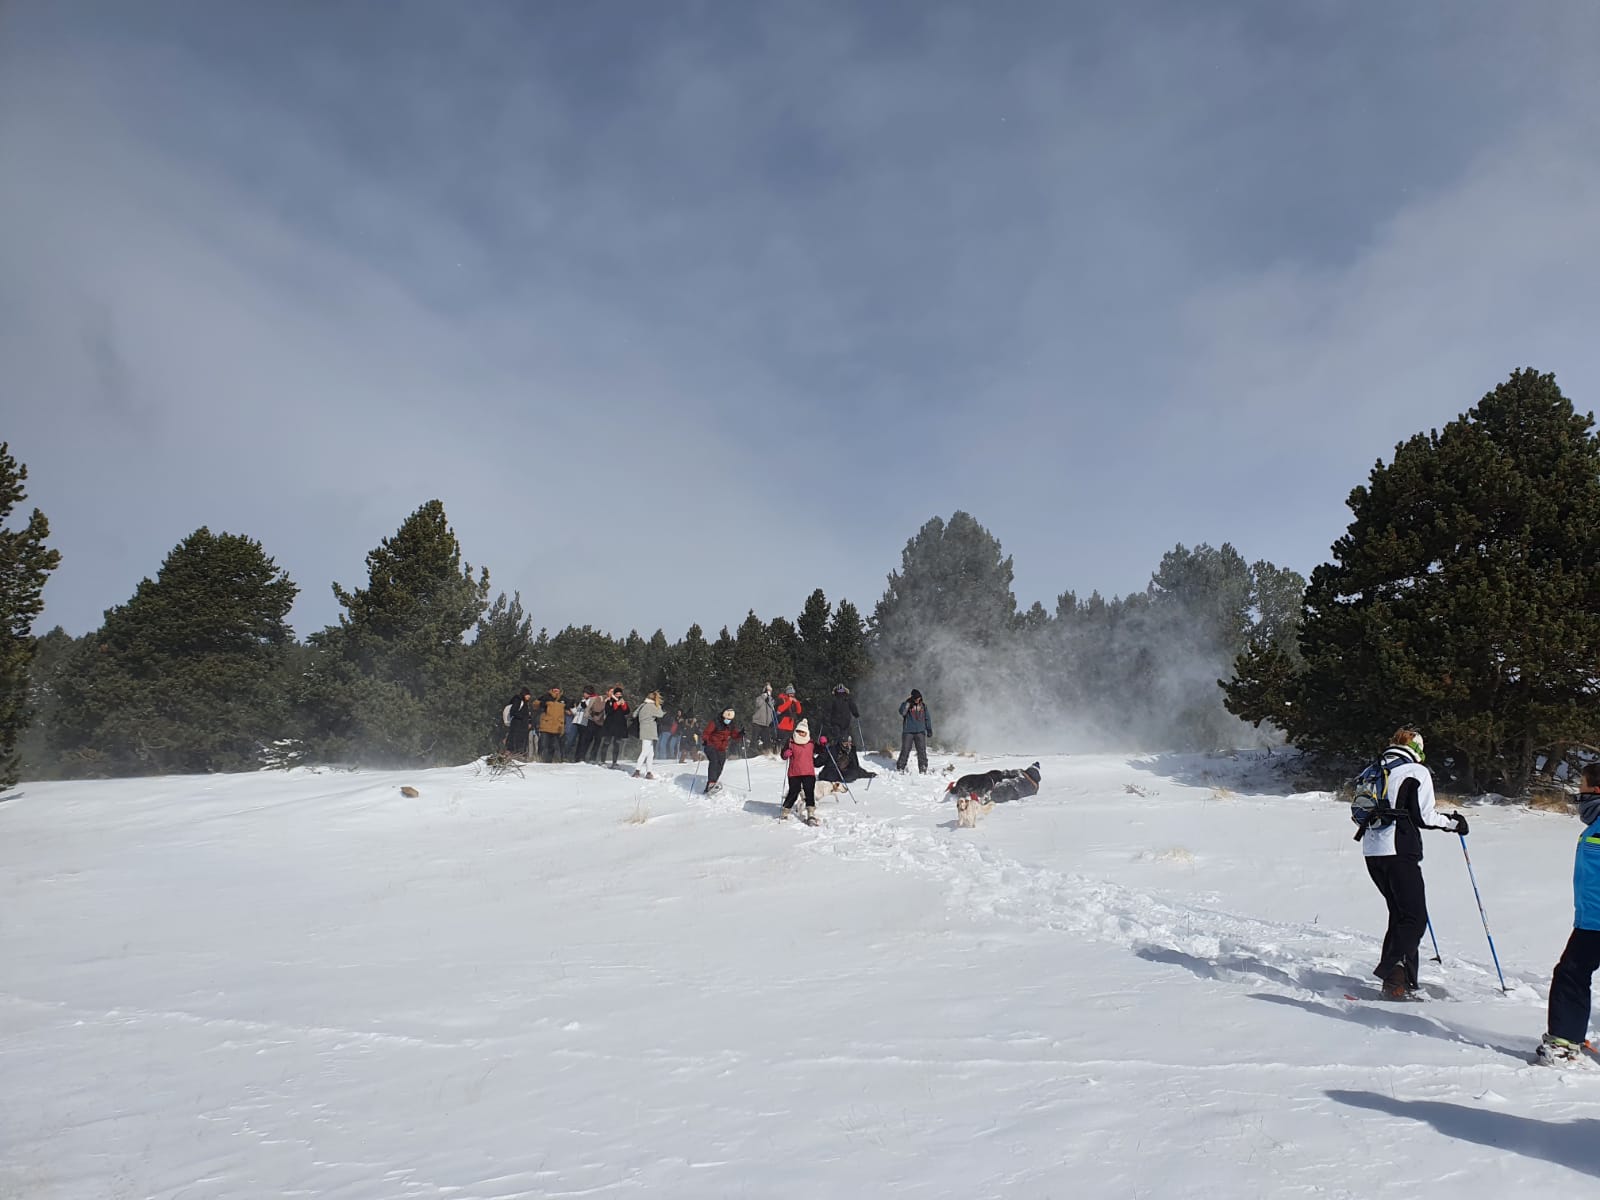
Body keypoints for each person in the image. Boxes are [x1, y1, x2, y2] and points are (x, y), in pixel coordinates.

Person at [1359, 728, 1465, 1000]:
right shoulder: (1416, 771)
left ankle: (1401, 982)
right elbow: (1424, 816)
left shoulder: (1375, 767)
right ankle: (1387, 970)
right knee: (1415, 919)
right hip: (1399, 850)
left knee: (1400, 915)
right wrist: (1452, 823)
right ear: (1417, 749)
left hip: (1372, 850)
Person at [1536, 762, 1600, 1064]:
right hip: (1590, 918)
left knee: (1571, 974)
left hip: (1596, 921)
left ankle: (1564, 1042)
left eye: (1582, 789)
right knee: (1572, 973)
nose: (1579, 797)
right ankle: (1567, 1038)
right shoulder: (1595, 826)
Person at [780, 719, 819, 824]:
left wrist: (823, 745)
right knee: (794, 792)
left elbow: (819, 750)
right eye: (799, 731)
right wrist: (785, 754)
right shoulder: (790, 741)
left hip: (808, 772)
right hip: (794, 772)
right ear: (796, 731)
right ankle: (785, 811)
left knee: (809, 792)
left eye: (803, 732)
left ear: (807, 732)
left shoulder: (811, 742)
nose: (801, 733)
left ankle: (811, 813)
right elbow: (783, 755)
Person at [701, 707, 744, 793]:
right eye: (727, 719)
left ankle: (712, 784)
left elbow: (734, 735)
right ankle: (712, 783)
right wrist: (705, 739)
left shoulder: (731, 725)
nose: (728, 720)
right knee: (714, 761)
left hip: (721, 748)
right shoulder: (715, 722)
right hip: (710, 745)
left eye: (730, 719)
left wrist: (740, 734)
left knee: (720, 764)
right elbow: (706, 732)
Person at [897, 689, 933, 773]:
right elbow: (902, 712)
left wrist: (929, 729)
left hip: (920, 732)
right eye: (916, 698)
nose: (917, 699)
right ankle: (900, 767)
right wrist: (907, 703)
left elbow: (927, 718)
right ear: (912, 697)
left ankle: (923, 768)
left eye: (919, 698)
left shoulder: (923, 706)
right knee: (905, 750)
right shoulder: (907, 704)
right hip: (908, 731)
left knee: (922, 751)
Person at [633, 690, 664, 779]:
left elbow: (635, 715)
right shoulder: (652, 707)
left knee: (650, 753)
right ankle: (637, 770)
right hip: (649, 731)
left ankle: (649, 771)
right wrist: (659, 706)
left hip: (644, 730)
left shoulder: (643, 705)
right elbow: (660, 714)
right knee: (645, 751)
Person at [599, 685, 631, 767]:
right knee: (606, 742)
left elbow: (627, 712)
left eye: (620, 694)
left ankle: (614, 761)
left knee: (617, 744)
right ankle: (602, 760)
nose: (619, 695)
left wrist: (623, 705)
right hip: (609, 725)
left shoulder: (623, 701)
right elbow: (608, 711)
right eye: (617, 694)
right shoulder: (609, 701)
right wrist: (616, 704)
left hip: (619, 726)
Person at [535, 686, 566, 763]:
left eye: (557, 690)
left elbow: (571, 707)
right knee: (543, 744)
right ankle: (541, 759)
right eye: (554, 689)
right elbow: (535, 705)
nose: (556, 691)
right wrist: (541, 702)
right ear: (551, 690)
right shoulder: (546, 697)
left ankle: (552, 760)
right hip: (546, 724)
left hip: (557, 726)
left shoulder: (563, 699)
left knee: (554, 745)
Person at [504, 687, 534, 759]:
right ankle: (513, 754)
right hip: (517, 724)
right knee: (515, 739)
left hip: (522, 725)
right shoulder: (518, 700)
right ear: (524, 694)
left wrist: (528, 721)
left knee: (520, 740)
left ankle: (519, 754)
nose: (529, 696)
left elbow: (528, 714)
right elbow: (513, 712)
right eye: (527, 695)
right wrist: (523, 717)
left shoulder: (526, 703)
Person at [774, 685, 803, 754]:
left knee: (788, 740)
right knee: (781, 740)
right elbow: (779, 710)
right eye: (790, 693)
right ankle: (777, 753)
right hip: (782, 724)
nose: (792, 695)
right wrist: (789, 702)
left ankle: (786, 753)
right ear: (787, 693)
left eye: (793, 693)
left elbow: (799, 711)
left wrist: (797, 703)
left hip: (791, 724)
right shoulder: (782, 699)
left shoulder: (793, 701)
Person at [583, 687, 609, 762]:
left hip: (603, 723)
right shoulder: (599, 698)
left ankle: (593, 758)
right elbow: (596, 709)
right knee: (588, 739)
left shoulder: (613, 701)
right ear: (607, 692)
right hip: (593, 721)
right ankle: (582, 756)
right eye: (611, 692)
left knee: (598, 741)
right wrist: (605, 703)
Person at [573, 686, 599, 761]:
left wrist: (586, 707)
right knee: (579, 740)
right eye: (584, 693)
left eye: (586, 693)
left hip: (587, 722)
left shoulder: (593, 699)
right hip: (578, 721)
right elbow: (577, 711)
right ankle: (577, 756)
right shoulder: (582, 700)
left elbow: (594, 711)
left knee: (584, 740)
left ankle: (581, 756)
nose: (584, 694)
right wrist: (572, 707)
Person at [752, 683, 777, 754]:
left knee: (767, 739)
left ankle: (768, 752)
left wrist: (768, 698)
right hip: (757, 722)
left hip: (766, 723)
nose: (769, 692)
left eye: (770, 691)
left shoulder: (771, 699)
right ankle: (751, 752)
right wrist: (764, 697)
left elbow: (772, 707)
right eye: (768, 690)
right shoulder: (759, 698)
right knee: (754, 738)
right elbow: (758, 704)